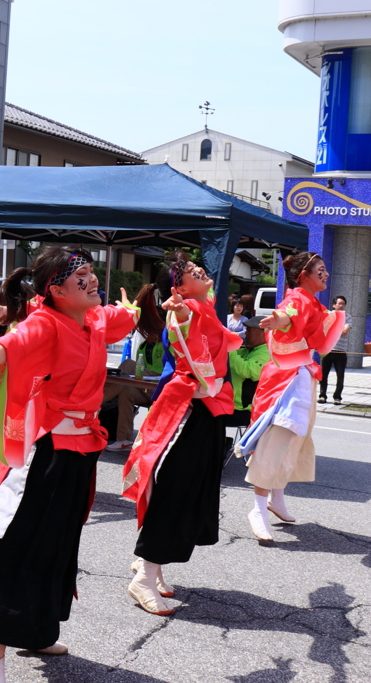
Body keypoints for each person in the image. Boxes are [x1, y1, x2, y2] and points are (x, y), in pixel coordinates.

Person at [0, 247, 139, 683]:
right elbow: (12, 345)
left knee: (60, 544)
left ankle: (38, 630)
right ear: (57, 289)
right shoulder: (45, 323)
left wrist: (134, 308)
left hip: (82, 450)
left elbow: (124, 320)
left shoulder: (95, 319)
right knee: (19, 544)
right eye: (81, 275)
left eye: (91, 273)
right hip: (46, 452)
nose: (91, 280)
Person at [121, 252, 242, 616]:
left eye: (200, 268)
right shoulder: (186, 310)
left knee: (184, 490)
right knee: (176, 489)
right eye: (193, 272)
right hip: (189, 407)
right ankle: (145, 574)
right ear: (179, 287)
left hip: (206, 406)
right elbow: (186, 335)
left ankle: (150, 567)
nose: (202, 272)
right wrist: (182, 312)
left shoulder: (203, 306)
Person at [238, 252, 344, 542]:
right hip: (286, 380)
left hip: (302, 376)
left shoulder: (312, 301)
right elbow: (288, 315)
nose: (326, 274)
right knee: (278, 439)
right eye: (320, 270)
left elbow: (318, 334)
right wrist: (280, 319)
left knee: (296, 438)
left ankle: (277, 498)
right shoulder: (296, 299)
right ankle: (258, 508)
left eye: (325, 269)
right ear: (304, 276)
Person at [104, 283, 162, 450]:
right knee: (126, 390)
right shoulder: (143, 347)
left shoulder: (167, 344)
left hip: (161, 389)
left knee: (129, 364)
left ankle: (95, 402)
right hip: (147, 389)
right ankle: (124, 439)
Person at [225, 316, 270, 427]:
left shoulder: (267, 352)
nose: (246, 334)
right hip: (230, 405)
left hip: (245, 411)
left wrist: (229, 349)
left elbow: (248, 371)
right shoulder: (247, 349)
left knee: (209, 417)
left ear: (263, 333)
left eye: (249, 330)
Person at [319, 295, 351, 405]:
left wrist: (332, 330)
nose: (341, 306)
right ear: (334, 305)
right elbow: (323, 330)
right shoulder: (328, 315)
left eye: (343, 304)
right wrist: (338, 329)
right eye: (339, 303)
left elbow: (345, 331)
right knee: (323, 375)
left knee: (340, 375)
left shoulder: (347, 317)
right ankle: (322, 395)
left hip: (340, 351)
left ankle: (337, 397)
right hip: (327, 349)